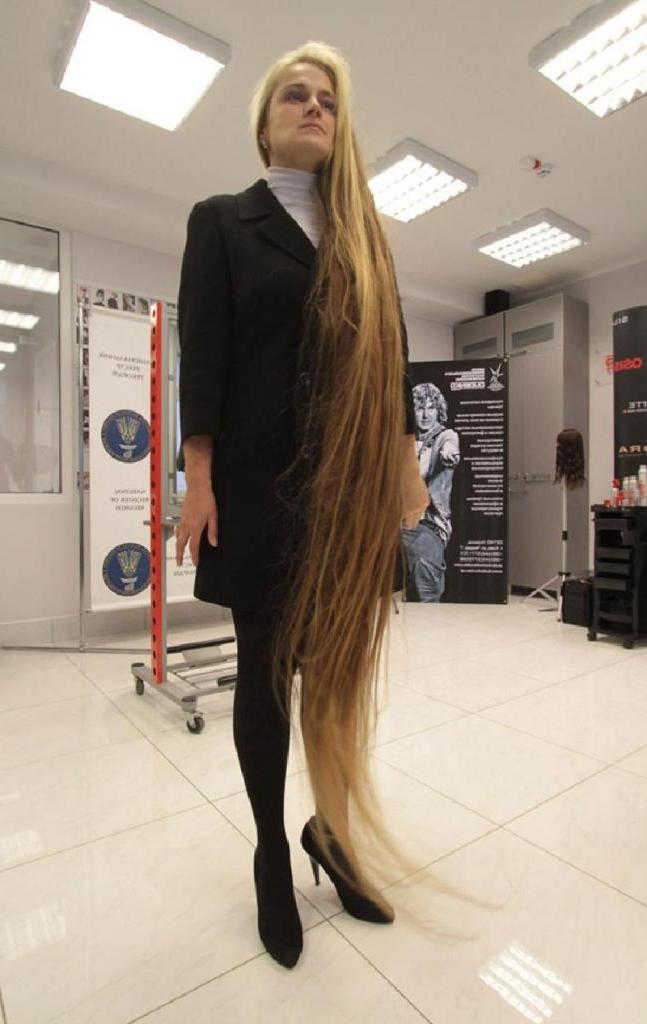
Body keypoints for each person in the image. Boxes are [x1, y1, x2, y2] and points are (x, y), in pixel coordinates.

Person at [175, 42, 435, 970]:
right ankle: (269, 854)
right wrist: (198, 477)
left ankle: (331, 829)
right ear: (265, 126)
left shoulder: (364, 234)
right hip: (258, 484)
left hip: (350, 493)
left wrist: (405, 467)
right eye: (294, 94)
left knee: (337, 677)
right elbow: (203, 355)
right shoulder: (223, 221)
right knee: (266, 674)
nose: (314, 106)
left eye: (327, 97)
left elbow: (390, 361)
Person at [401, 382, 460, 601]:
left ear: (438, 410)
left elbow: (450, 449)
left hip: (428, 521)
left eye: (431, 408)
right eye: (420, 408)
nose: (426, 415)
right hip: (397, 520)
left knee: (426, 582)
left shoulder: (445, 436)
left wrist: (449, 454)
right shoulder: (404, 441)